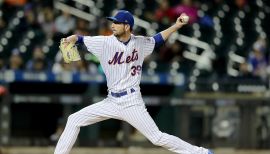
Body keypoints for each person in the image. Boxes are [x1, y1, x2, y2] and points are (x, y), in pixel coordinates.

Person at [54, 10, 213, 154]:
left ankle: (201, 153)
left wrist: (176, 25)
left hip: (131, 102)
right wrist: (72, 38)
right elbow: (81, 39)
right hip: (111, 101)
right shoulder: (104, 42)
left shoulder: (140, 43)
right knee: (74, 119)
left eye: (117, 22)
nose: (113, 25)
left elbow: (157, 40)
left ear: (127, 26)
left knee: (157, 138)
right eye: (113, 22)